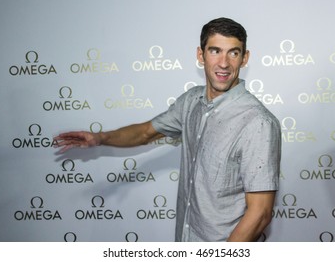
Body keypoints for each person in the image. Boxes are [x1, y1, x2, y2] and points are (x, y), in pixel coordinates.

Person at [54, 17, 281, 242]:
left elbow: (260, 214)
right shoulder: (191, 101)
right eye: (215, 51)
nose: (224, 63)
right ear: (200, 55)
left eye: (233, 52)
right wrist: (100, 138)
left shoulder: (258, 122)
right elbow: (146, 132)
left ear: (245, 58)